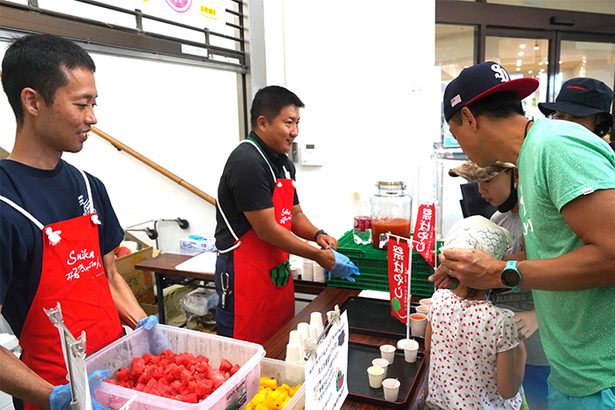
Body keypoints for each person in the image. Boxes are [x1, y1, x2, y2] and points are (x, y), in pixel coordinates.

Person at [433, 61, 615, 409]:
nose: (462, 148)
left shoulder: (556, 146)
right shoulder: (530, 157)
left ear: (469, 118)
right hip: (573, 370)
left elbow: (612, 252)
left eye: (456, 136)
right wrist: (480, 267)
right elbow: (558, 252)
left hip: (601, 377)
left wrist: (499, 272)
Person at [0, 34, 163, 410]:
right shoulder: (6, 203)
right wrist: (58, 397)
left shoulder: (89, 188)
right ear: (32, 101)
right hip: (51, 393)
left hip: (117, 380)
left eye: (94, 103)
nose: (92, 117)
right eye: (81, 104)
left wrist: (144, 327)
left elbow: (108, 276)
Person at [214, 85, 359, 344]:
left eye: (297, 123)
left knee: (280, 344)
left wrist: (318, 235)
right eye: (288, 123)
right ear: (263, 122)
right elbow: (267, 229)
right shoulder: (247, 162)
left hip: (275, 275)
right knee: (245, 354)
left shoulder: (282, 162)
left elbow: (294, 214)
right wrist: (317, 255)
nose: (295, 132)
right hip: (244, 276)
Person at [449, 160, 550, 409]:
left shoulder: (541, 220)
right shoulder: (497, 221)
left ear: (515, 175)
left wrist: (539, 316)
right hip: (501, 344)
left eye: (488, 180)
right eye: (478, 183)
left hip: (541, 347)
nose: (481, 190)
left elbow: (566, 275)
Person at [425, 280, 526, 409]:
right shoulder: (501, 321)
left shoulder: (438, 298)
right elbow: (508, 391)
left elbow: (428, 347)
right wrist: (522, 353)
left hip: (442, 404)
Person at [538, 77, 614, 149]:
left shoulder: (608, 157)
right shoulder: (546, 148)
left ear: (599, 119)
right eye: (559, 116)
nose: (566, 123)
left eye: (577, 117)